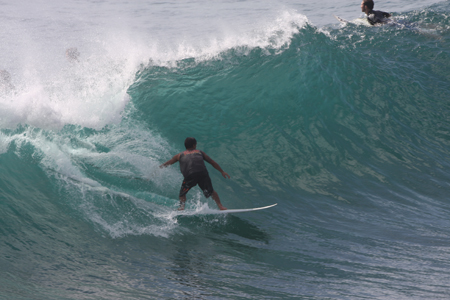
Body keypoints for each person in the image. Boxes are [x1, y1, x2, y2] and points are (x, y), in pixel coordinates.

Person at [159, 137, 230, 210]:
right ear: (194, 145)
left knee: (182, 194)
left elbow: (168, 163)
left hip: (190, 175)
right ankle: (220, 206)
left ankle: (182, 206)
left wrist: (158, 169)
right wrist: (222, 171)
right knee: (211, 192)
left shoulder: (179, 155)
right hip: (202, 174)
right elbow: (212, 162)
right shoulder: (200, 152)